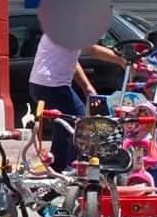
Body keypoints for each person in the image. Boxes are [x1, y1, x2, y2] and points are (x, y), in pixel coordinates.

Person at [28, 32, 122, 170]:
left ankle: (59, 167)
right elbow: (92, 50)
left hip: (44, 84)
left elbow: (72, 59)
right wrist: (122, 60)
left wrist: (87, 87)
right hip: (51, 85)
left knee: (65, 125)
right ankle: (71, 167)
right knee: (79, 123)